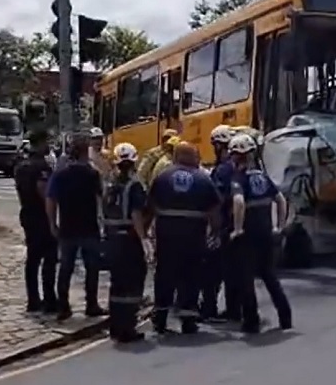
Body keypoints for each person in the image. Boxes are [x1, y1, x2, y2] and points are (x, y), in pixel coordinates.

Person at [147, 140, 221, 335]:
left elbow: (150, 205)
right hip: (193, 236)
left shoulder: (163, 177)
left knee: (164, 275)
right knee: (191, 276)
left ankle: (161, 317)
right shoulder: (203, 179)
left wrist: (149, 232)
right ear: (192, 157)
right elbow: (214, 210)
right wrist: (215, 232)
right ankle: (188, 320)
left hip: (167, 235)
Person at [228, 133, 292, 333]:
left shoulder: (239, 178)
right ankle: (285, 317)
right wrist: (278, 226)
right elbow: (281, 200)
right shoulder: (263, 177)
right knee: (269, 275)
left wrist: (237, 229)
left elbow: (238, 202)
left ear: (236, 156)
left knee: (246, 279)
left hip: (248, 236)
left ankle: (251, 321)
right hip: (266, 233)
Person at [46, 133, 107, 320]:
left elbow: (51, 200)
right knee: (92, 267)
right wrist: (102, 222)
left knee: (66, 267)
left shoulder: (60, 175)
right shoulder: (93, 174)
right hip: (89, 226)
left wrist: (52, 223)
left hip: (67, 226)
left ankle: (63, 306)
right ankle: (92, 304)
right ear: (84, 152)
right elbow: (101, 199)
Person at [103, 142, 154, 343]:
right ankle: (128, 328)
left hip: (111, 237)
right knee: (132, 283)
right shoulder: (134, 185)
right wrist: (144, 239)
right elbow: (135, 214)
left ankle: (115, 326)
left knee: (116, 284)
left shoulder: (110, 182)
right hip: (129, 239)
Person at [15, 130, 58, 313]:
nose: (49, 146)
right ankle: (49, 299)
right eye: (47, 142)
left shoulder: (21, 165)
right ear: (40, 143)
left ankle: (33, 299)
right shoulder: (41, 167)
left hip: (27, 213)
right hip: (41, 216)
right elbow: (44, 192)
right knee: (49, 258)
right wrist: (53, 220)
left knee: (32, 259)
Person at [201, 124, 240, 322]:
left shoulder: (223, 170)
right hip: (238, 226)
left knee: (213, 270)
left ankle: (209, 308)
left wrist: (214, 229)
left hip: (224, 225)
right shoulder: (239, 168)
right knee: (234, 270)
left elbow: (216, 200)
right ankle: (235, 309)